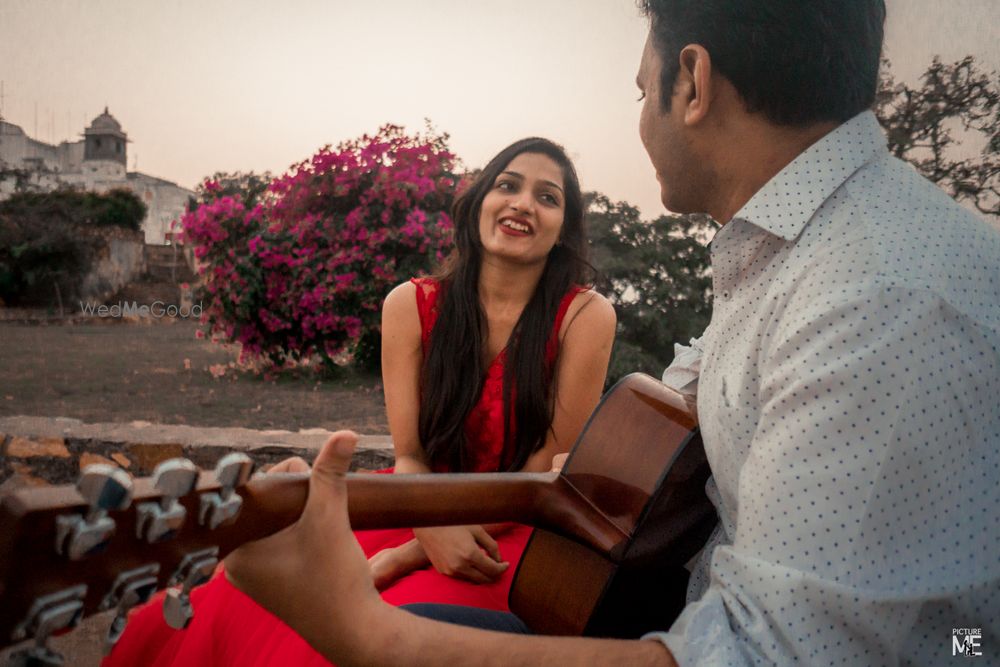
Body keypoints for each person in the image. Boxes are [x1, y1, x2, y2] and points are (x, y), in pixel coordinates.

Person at [224, 1, 1000, 665]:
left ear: (691, 82)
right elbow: (625, 455)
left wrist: (360, 632)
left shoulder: (877, 295)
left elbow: (786, 654)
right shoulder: (794, 255)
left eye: (640, 89)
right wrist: (380, 514)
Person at [102, 138, 616, 667]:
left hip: (503, 540)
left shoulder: (585, 317)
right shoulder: (410, 306)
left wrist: (408, 556)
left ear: (562, 230)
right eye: (507, 185)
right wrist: (425, 531)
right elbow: (412, 456)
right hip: (413, 504)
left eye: (547, 197)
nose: (523, 204)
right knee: (243, 599)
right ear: (480, 200)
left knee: (350, 636)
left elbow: (543, 475)